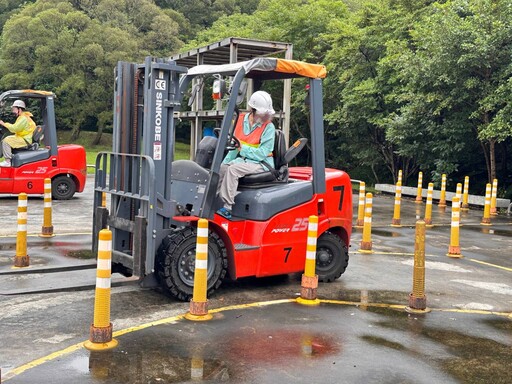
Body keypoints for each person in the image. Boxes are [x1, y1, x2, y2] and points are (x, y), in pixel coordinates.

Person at [217, 91, 276, 219]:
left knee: (233, 170)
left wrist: (242, 149)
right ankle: (212, 202)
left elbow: (262, 154)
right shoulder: (239, 121)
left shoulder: (269, 127)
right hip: (243, 161)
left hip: (262, 163)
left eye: (268, 112)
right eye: (263, 112)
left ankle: (227, 207)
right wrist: (223, 163)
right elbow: (234, 146)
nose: (267, 115)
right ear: (252, 109)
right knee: (222, 169)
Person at [0, 100, 36, 167]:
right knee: (8, 138)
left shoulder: (23, 118)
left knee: (6, 141)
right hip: (24, 138)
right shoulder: (23, 117)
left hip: (25, 140)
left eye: (14, 109)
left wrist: (3, 124)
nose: (13, 111)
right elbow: (17, 129)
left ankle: (7, 161)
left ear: (19, 109)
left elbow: (14, 129)